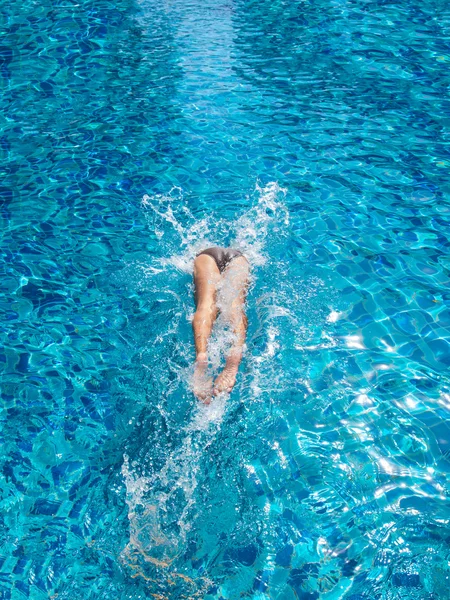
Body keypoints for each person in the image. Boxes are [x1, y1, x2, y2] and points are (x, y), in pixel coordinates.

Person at [192, 247, 250, 403]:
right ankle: (235, 351)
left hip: (205, 256)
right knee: (234, 306)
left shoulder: (202, 252)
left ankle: (202, 354)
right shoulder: (242, 255)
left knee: (206, 305)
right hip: (238, 258)